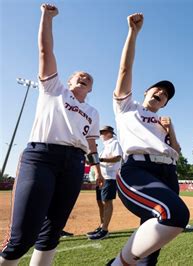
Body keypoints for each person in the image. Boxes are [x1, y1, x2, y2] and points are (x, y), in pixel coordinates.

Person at [0, 4, 104, 265]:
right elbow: (45, 50)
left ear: (90, 88)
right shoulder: (54, 89)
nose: (83, 78)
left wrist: (98, 168)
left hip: (75, 163)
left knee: (52, 233)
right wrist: (47, 17)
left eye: (87, 78)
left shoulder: (93, 111)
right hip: (41, 157)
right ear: (68, 81)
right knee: (23, 236)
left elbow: (91, 143)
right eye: (78, 76)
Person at [109, 13, 189, 265]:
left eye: (165, 95)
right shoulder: (127, 107)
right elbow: (125, 69)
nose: (161, 93)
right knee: (171, 214)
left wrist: (171, 130)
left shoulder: (163, 122)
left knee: (153, 240)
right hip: (138, 168)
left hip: (168, 171)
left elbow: (176, 151)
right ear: (146, 91)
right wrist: (133, 33)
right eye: (158, 89)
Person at [87, 126, 123, 240]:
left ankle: (105, 230)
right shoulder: (105, 146)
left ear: (109, 133)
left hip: (110, 176)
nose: (100, 135)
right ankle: (101, 226)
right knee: (99, 201)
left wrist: (100, 160)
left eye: (102, 133)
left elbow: (117, 158)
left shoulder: (115, 143)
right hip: (101, 177)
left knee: (107, 201)